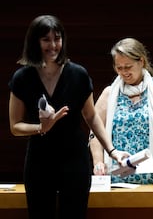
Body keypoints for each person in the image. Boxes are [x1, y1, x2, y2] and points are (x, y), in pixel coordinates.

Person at [8, 15, 129, 219]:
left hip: (74, 160)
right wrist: (41, 128)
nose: (53, 45)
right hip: (39, 161)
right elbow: (15, 126)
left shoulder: (78, 74)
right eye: (46, 39)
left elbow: (91, 117)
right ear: (34, 41)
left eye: (57, 38)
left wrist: (113, 150)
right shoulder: (22, 78)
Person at [89, 37, 153, 185]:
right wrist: (98, 162)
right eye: (119, 68)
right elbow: (95, 132)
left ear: (142, 62)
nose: (124, 72)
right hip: (116, 176)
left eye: (128, 67)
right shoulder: (109, 93)